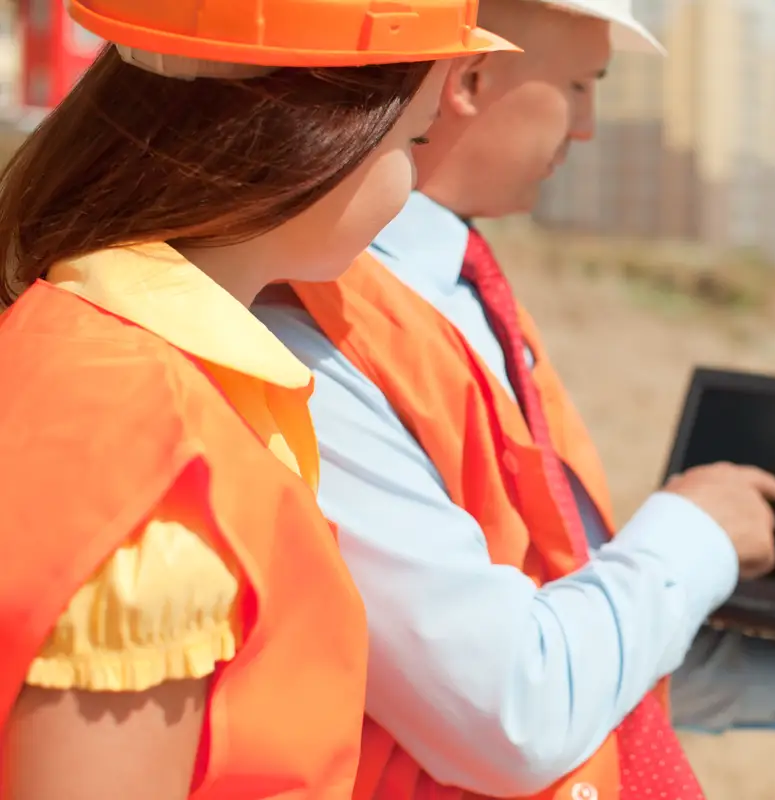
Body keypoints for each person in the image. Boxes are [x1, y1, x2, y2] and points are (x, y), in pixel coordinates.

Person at [256, 0, 775, 796]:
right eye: (582, 86)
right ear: (472, 78)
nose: (587, 128)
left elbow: (564, 622)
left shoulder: (464, 298)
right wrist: (695, 533)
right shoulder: (306, 323)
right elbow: (508, 707)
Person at [0, 2, 515, 798]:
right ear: (314, 132)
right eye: (411, 140)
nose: (410, 186)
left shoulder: (88, 347)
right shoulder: (155, 463)